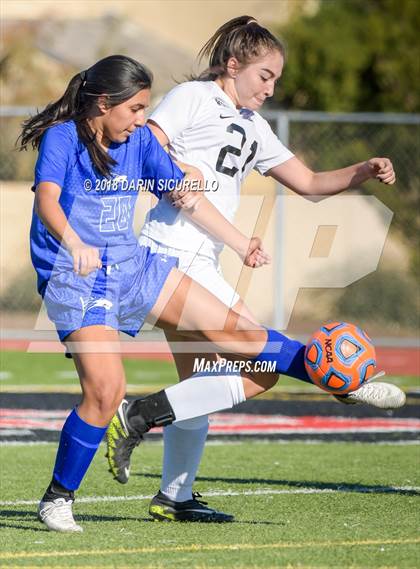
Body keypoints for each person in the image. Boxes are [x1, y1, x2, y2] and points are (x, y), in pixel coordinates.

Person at [105, 16, 405, 523]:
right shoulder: (196, 97)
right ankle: (335, 381)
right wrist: (181, 174)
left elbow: (308, 183)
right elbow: (146, 141)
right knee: (259, 364)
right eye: (265, 75)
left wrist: (362, 171)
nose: (271, 87)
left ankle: (173, 497)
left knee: (198, 383)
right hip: (170, 251)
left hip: (201, 260)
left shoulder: (254, 127)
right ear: (234, 64)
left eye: (276, 80)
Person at [20, 53, 279, 533]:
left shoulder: (138, 142)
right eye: (135, 109)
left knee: (244, 338)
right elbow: (47, 198)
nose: (143, 120)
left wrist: (238, 238)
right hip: (73, 275)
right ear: (103, 103)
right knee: (105, 391)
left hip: (133, 268)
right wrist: (75, 243)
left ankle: (332, 371)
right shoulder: (63, 138)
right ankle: (57, 498)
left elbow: (182, 195)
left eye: (145, 109)